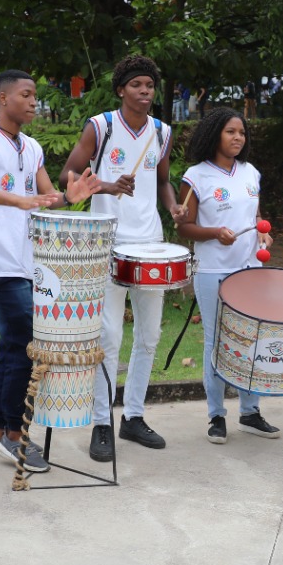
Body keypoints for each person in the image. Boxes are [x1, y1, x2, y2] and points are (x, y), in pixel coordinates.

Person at [0, 70, 103, 472]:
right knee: (26, 340)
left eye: (36, 94)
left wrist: (65, 197)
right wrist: (16, 201)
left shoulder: (32, 147)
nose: (34, 101)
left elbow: (43, 197)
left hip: (26, 261)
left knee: (13, 344)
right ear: (3, 99)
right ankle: (13, 436)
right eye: (26, 94)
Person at [59, 55, 181, 462]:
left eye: (150, 85)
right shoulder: (101, 126)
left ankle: (133, 416)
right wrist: (108, 186)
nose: (145, 92)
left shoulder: (162, 132)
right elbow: (68, 176)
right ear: (120, 90)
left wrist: (175, 207)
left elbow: (163, 181)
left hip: (150, 243)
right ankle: (101, 423)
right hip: (107, 243)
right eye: (137, 85)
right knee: (109, 337)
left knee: (149, 337)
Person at [174, 107, 281, 442]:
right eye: (231, 132)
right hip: (213, 271)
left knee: (251, 338)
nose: (238, 138)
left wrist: (265, 235)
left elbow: (257, 216)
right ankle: (216, 416)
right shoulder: (196, 176)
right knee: (216, 342)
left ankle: (250, 412)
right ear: (214, 135)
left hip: (250, 269)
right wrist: (214, 233)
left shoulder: (250, 173)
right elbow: (184, 228)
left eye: (242, 133)